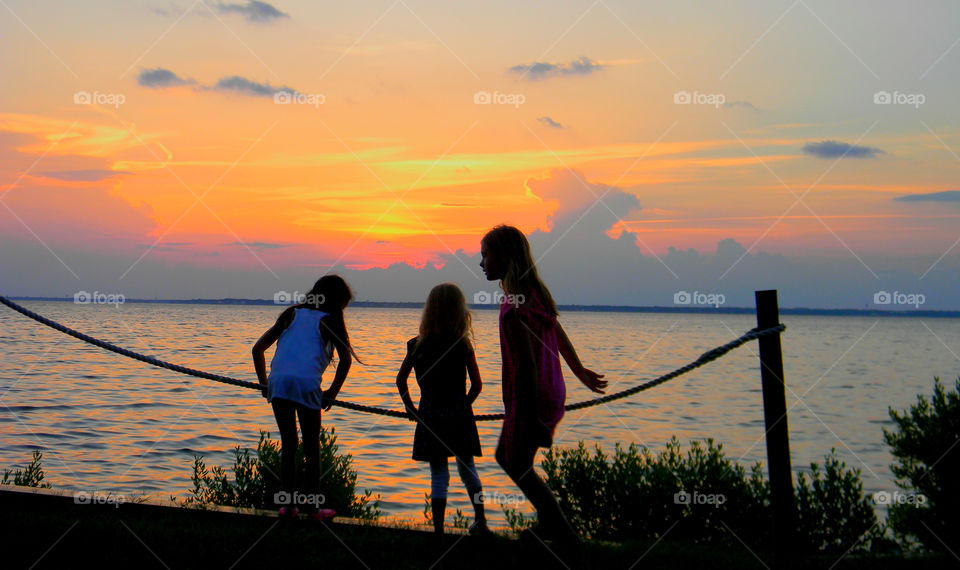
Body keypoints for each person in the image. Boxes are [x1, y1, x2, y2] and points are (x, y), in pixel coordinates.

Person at [479, 225, 607, 545]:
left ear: (504, 257)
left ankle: (561, 532)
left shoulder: (513, 307)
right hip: (550, 389)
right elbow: (557, 331)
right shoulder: (535, 294)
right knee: (512, 459)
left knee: (513, 461)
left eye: (485, 256)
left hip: (532, 395)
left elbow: (527, 365)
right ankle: (553, 527)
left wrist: (531, 413)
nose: (481, 263)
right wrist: (578, 370)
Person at [253, 275, 361, 521]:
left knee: (289, 445)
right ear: (337, 303)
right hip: (306, 385)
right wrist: (331, 394)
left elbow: (257, 350)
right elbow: (345, 360)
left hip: (279, 382)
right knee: (312, 449)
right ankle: (312, 509)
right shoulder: (329, 321)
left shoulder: (291, 314)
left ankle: (288, 506)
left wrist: (264, 383)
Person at [396, 283, 490, 535]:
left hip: (429, 415)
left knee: (439, 475)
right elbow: (478, 385)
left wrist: (411, 408)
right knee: (468, 470)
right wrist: (462, 406)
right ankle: (481, 522)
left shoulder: (417, 345)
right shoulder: (462, 344)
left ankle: (438, 530)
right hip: (459, 416)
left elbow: (400, 379)